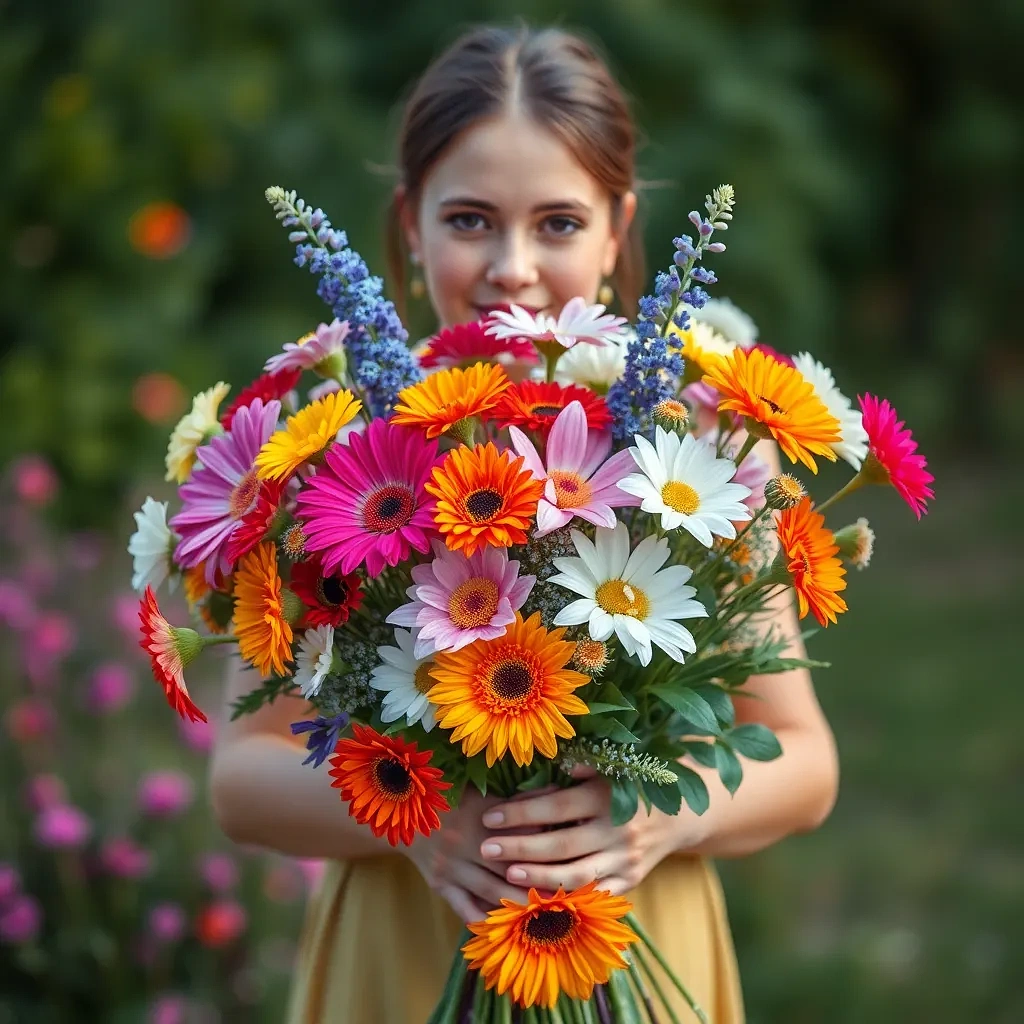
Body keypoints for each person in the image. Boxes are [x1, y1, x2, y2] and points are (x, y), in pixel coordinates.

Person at [209, 23, 839, 1024]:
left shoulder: (701, 447)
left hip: (631, 936)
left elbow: (804, 763)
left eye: (555, 222)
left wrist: (656, 820)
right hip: (404, 948)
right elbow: (242, 775)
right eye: (469, 219)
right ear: (408, 223)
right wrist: (414, 818)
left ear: (616, 227)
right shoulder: (332, 455)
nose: (511, 265)